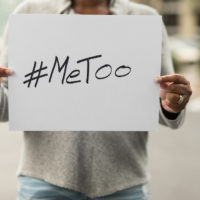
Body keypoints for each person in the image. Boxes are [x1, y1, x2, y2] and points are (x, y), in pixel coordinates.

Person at [0, 0, 192, 200]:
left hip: (124, 182)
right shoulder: (29, 14)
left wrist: (172, 106)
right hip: (45, 181)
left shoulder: (145, 18)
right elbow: (9, 109)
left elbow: (167, 102)